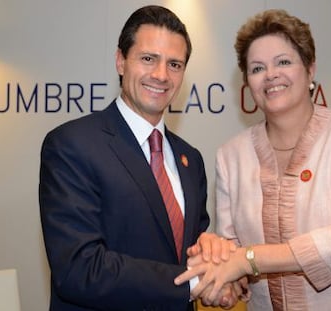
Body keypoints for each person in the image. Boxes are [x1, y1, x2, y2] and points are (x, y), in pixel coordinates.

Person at [175, 8, 331, 310]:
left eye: (283, 62)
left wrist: (248, 260)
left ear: (310, 69)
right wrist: (223, 285)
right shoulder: (231, 155)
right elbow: (232, 253)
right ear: (248, 83)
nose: (271, 75)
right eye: (257, 68)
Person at [39, 5, 236, 311]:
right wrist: (196, 283)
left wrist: (219, 267)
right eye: (148, 59)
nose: (161, 75)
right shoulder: (72, 145)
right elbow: (79, 268)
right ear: (121, 60)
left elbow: (190, 247)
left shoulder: (190, 159)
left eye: (174, 64)